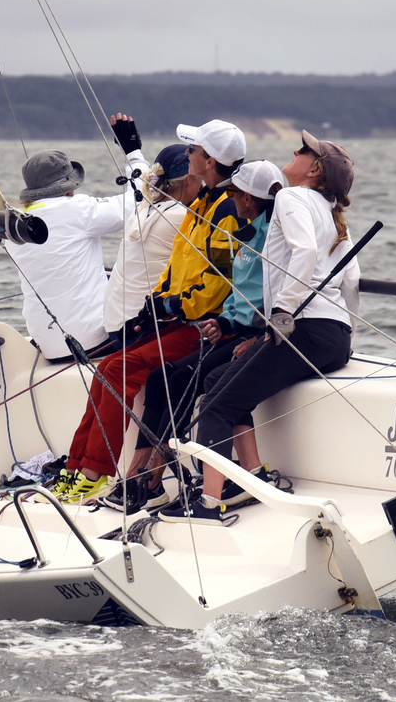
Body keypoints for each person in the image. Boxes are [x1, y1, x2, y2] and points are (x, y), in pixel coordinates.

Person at [160, 131, 359, 525]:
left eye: (302, 151)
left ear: (314, 169)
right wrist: (347, 332)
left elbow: (304, 253)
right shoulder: (329, 210)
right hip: (333, 335)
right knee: (221, 377)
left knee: (216, 400)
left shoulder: (291, 196)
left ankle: (209, 502)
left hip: (301, 328)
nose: (294, 151)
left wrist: (283, 310)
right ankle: (253, 476)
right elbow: (350, 280)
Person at [49, 119, 247, 504]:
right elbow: (177, 266)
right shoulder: (198, 206)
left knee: (120, 369)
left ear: (207, 160)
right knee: (107, 368)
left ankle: (95, 473)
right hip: (173, 319)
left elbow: (222, 277)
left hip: (203, 326)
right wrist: (155, 302)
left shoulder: (219, 209)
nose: (187, 154)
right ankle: (76, 468)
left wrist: (175, 304)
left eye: (193, 149)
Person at [101, 159, 286, 514]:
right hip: (232, 327)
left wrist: (226, 323)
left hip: (250, 331)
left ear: (247, 198)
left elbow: (263, 292)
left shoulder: (262, 233)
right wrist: (218, 321)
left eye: (236, 194)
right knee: (159, 380)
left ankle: (154, 479)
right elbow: (234, 288)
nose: (231, 198)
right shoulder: (228, 218)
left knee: (186, 381)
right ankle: (145, 476)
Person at [5, 146, 143, 360]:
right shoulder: (79, 209)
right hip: (94, 343)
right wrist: (133, 154)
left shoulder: (15, 223)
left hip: (49, 348)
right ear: (70, 186)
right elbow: (138, 200)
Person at [99, 129, 192, 348]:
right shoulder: (181, 217)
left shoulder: (144, 207)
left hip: (115, 328)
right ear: (189, 180)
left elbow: (141, 179)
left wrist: (133, 152)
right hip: (144, 330)